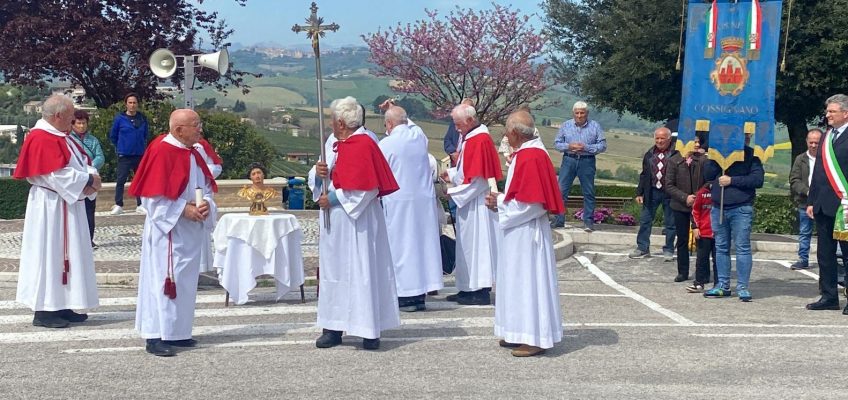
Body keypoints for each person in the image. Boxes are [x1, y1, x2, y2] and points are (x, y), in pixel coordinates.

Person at [311, 96, 400, 350]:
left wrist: (334, 198)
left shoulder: (363, 143)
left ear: (341, 122)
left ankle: (368, 329)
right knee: (334, 272)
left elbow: (367, 188)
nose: (330, 124)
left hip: (357, 221)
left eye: (332, 120)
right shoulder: (334, 143)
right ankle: (333, 326)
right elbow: (318, 175)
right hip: (335, 225)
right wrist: (319, 177)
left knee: (362, 271)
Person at [130, 109, 218, 356]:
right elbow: (151, 199)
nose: (200, 129)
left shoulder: (194, 151)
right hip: (168, 231)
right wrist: (182, 210)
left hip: (189, 229)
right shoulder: (161, 150)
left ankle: (178, 332)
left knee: (185, 283)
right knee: (163, 281)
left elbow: (206, 186)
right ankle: (156, 335)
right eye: (195, 125)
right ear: (179, 130)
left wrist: (206, 204)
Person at [14, 94, 101, 329]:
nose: (74, 120)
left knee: (68, 254)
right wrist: (88, 179)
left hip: (66, 202)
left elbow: (78, 162)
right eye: (71, 115)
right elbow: (55, 174)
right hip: (50, 206)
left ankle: (63, 304)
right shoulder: (42, 137)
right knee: (50, 254)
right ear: (58, 115)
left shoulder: (60, 135)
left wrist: (89, 176)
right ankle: (44, 310)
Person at [485, 110, 564, 357]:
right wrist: (503, 199)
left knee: (527, 282)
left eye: (508, 132)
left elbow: (533, 204)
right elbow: (522, 195)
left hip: (526, 234)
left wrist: (501, 205)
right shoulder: (527, 154)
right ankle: (516, 331)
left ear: (516, 133)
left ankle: (534, 337)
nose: (506, 137)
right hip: (518, 231)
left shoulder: (531, 157)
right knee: (514, 282)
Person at [379, 106, 443, 312]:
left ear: (388, 125)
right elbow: (411, 125)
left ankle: (406, 295)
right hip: (423, 202)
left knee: (403, 248)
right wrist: (395, 109)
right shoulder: (418, 138)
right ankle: (421, 294)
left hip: (399, 202)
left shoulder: (386, 144)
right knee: (422, 247)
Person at [440, 103, 503, 305]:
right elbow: (466, 170)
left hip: (477, 204)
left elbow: (479, 180)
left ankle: (480, 291)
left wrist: (453, 192)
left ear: (470, 120)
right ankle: (467, 288)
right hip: (469, 202)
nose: (457, 129)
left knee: (478, 247)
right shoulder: (470, 137)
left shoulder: (479, 139)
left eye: (459, 124)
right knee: (467, 247)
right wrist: (451, 173)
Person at [703, 131, 764, 301]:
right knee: (721, 247)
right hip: (719, 207)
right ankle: (723, 285)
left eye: (747, 136)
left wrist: (732, 180)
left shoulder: (752, 156)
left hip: (741, 208)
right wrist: (715, 157)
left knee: (742, 247)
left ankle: (743, 287)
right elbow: (707, 175)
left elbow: (757, 180)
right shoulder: (717, 154)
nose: (745, 138)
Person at [806, 94, 848, 313]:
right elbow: (819, 172)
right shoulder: (826, 136)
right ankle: (829, 296)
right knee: (825, 254)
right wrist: (811, 200)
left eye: (832, 111)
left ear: (845, 113)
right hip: (823, 206)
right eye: (828, 111)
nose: (828, 115)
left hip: (845, 206)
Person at [552, 101, 607, 231]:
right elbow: (557, 143)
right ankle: (559, 220)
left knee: (588, 192)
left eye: (582, 113)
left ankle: (588, 222)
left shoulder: (595, 126)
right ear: (573, 113)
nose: (579, 115)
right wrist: (569, 146)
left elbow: (602, 146)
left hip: (587, 161)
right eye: (577, 113)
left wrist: (586, 147)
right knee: (561, 191)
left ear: (587, 113)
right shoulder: (566, 125)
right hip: (569, 160)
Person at [629, 127, 678, 260]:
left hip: (670, 193)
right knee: (645, 220)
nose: (659, 141)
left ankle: (668, 249)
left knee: (670, 223)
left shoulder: (676, 154)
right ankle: (642, 248)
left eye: (662, 138)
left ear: (669, 139)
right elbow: (644, 175)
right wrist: (639, 193)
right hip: (652, 192)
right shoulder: (649, 154)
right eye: (657, 138)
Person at [663, 132, 707, 280]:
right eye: (694, 142)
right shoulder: (674, 161)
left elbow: (708, 181)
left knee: (702, 239)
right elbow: (668, 185)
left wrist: (697, 197)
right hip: (680, 205)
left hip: (699, 206)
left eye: (698, 142)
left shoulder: (703, 160)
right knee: (681, 239)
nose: (697, 145)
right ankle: (683, 271)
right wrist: (685, 197)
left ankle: (702, 272)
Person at [69, 110, 105, 248]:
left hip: (91, 177)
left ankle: (89, 239)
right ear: (73, 124)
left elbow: (100, 156)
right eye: (79, 123)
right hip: (77, 179)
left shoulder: (93, 140)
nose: (82, 126)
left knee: (90, 210)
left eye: (84, 123)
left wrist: (90, 166)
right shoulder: (69, 140)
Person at [109, 93, 149, 215]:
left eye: (134, 102)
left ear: (138, 104)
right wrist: (121, 146)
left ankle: (140, 204)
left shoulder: (142, 119)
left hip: (139, 154)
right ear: (126, 104)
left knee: (139, 180)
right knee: (121, 180)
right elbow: (113, 136)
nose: (132, 105)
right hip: (124, 155)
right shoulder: (119, 119)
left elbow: (145, 135)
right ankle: (119, 204)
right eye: (130, 102)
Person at [788, 129, 822, 270]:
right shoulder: (800, 159)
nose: (813, 145)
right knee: (804, 231)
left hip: (823, 201)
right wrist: (807, 191)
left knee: (825, 233)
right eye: (811, 142)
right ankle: (803, 258)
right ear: (806, 142)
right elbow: (794, 179)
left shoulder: (826, 159)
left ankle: (826, 260)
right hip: (804, 201)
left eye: (817, 142)